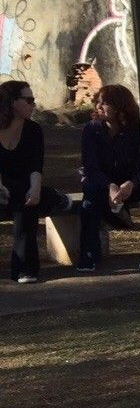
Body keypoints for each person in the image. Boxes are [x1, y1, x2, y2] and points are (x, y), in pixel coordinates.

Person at [0, 81, 73, 283]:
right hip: (2, 188)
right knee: (21, 199)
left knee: (27, 205)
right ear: (12, 102)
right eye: (29, 100)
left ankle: (25, 269)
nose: (33, 104)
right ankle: (55, 198)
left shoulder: (33, 130)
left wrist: (35, 189)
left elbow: (35, 166)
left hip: (23, 186)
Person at [76, 84, 140, 272]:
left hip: (132, 182)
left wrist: (132, 183)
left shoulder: (137, 130)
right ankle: (88, 255)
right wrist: (110, 186)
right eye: (97, 102)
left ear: (120, 106)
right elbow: (91, 167)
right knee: (89, 200)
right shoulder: (92, 129)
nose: (99, 107)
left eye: (104, 103)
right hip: (102, 182)